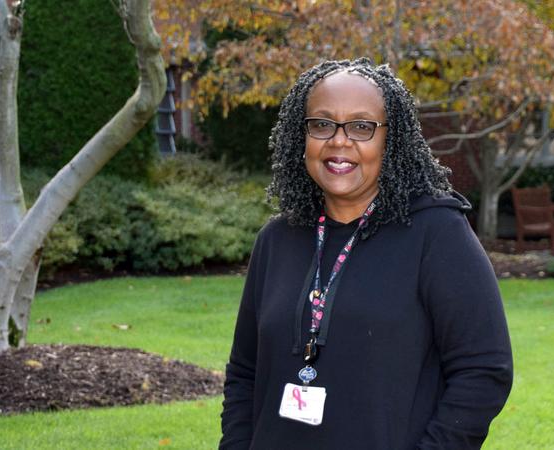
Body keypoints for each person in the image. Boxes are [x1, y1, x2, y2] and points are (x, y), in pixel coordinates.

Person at [220, 58, 513, 450]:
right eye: (322, 124)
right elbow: (244, 372)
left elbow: (484, 370)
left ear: (390, 140)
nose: (339, 142)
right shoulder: (276, 240)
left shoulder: (436, 234)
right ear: (300, 136)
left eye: (362, 127)